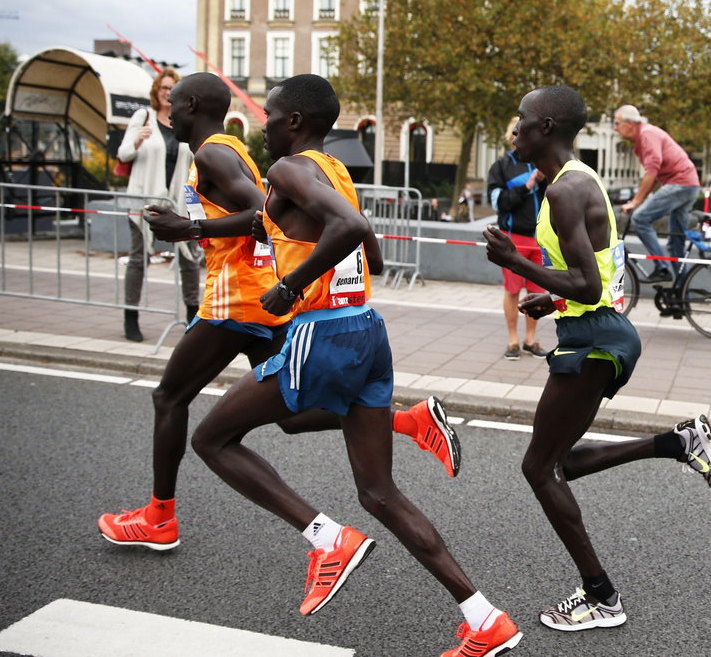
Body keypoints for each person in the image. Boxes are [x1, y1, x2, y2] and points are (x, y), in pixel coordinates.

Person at [187, 74, 522, 656]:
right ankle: (484, 616)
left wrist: (290, 284)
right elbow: (367, 243)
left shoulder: (290, 170)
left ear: (295, 121)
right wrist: (334, 258)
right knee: (379, 493)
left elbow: (349, 230)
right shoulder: (335, 169)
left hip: (322, 333)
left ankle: (327, 540)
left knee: (213, 439)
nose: (262, 125)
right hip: (366, 327)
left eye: (269, 115)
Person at [97, 73, 461, 554]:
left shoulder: (216, 153)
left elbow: (258, 217)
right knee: (290, 414)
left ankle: (160, 516)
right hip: (266, 297)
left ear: (190, 105)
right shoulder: (252, 156)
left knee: (172, 400)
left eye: (173, 105)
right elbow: (300, 224)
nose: (169, 113)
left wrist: (191, 228)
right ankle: (407, 422)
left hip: (238, 298)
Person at [483, 86, 711, 634]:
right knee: (558, 462)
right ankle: (677, 442)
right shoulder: (576, 181)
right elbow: (599, 276)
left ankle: (601, 596)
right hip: (596, 328)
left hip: (594, 335)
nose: (514, 129)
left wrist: (517, 261)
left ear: (544, 126)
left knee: (538, 468)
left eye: (520, 119)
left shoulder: (567, 191)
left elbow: (589, 282)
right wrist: (552, 298)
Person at [116, 68, 200, 342]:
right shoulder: (144, 117)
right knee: (139, 260)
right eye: (163, 88)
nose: (167, 93)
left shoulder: (182, 122)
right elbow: (123, 152)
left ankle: (192, 316)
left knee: (189, 260)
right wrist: (138, 139)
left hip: (174, 203)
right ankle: (131, 317)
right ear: (156, 91)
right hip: (143, 200)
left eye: (172, 89)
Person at [612, 104, 700, 283]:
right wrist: (638, 199)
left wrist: (636, 203)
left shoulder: (647, 134)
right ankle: (681, 297)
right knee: (676, 247)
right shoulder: (642, 140)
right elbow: (653, 177)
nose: (615, 128)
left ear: (630, 123)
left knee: (640, 218)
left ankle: (662, 267)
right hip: (689, 185)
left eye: (617, 123)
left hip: (680, 184)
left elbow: (651, 172)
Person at [487, 117, 549, 360]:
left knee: (536, 291)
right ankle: (513, 340)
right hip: (514, 238)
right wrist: (528, 185)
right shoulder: (502, 166)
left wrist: (544, 183)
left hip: (540, 238)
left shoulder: (542, 163)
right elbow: (497, 202)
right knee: (513, 290)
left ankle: (530, 340)